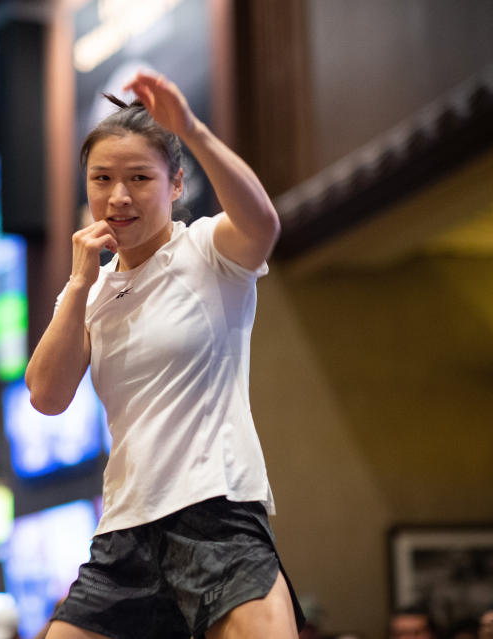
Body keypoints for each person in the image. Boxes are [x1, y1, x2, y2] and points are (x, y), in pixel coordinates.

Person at [25, 69, 304, 639]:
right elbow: (46, 396)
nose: (118, 196)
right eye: (102, 179)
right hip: (124, 533)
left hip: (216, 517)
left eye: (139, 178)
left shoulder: (205, 250)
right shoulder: (90, 293)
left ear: (176, 184)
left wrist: (194, 130)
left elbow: (263, 223)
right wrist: (78, 285)